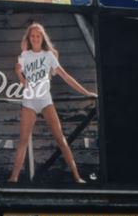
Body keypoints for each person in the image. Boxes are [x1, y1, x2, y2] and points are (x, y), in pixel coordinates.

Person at [9, 23, 97, 185]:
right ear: (29, 38)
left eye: (38, 36)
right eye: (33, 36)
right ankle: (13, 178)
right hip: (29, 99)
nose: (35, 38)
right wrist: (18, 74)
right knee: (23, 141)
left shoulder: (49, 55)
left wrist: (86, 92)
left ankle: (77, 176)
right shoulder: (24, 55)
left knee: (60, 139)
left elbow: (65, 76)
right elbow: (24, 83)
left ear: (42, 38)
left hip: (45, 99)